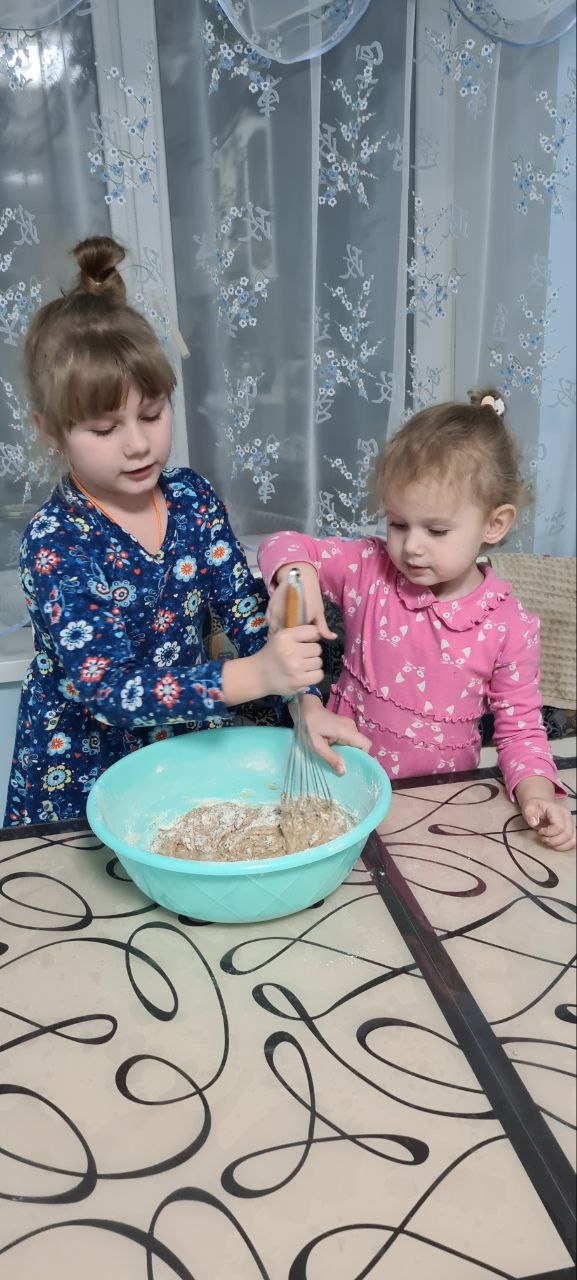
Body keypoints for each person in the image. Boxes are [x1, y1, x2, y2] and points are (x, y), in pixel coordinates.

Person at [5, 236, 366, 827]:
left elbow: (247, 618)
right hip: (83, 772)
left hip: (185, 755)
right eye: (104, 429)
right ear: (50, 430)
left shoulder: (191, 498)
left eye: (152, 414)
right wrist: (255, 675)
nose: (138, 444)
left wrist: (304, 701)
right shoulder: (55, 541)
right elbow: (111, 691)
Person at [259, 391, 576, 852]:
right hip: (340, 787)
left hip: (439, 809)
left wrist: (537, 796)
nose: (411, 547)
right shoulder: (367, 569)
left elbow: (521, 731)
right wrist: (296, 574)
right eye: (398, 524)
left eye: (436, 530)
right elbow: (284, 543)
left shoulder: (510, 627)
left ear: (494, 524)